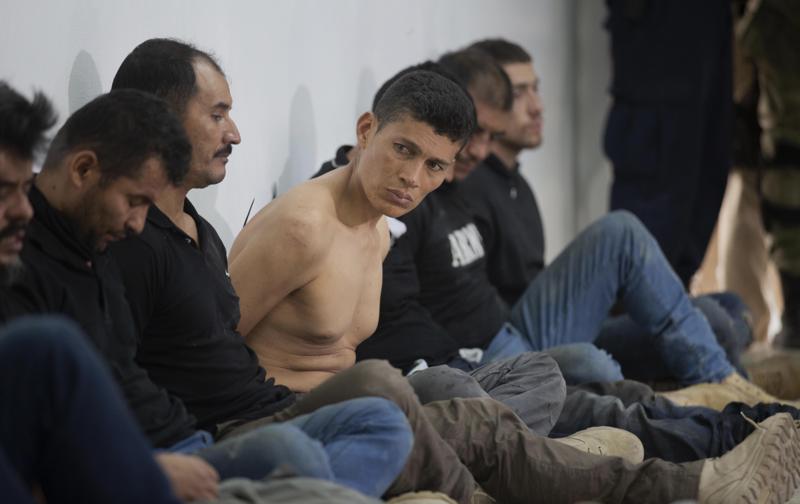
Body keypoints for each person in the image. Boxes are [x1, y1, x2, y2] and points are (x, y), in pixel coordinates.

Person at [229, 57, 800, 502]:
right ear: (366, 130)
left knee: (543, 377)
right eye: (402, 150)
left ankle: (713, 434)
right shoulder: (304, 227)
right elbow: (216, 356)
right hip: (303, 418)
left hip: (373, 401)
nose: (411, 177)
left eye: (434, 166)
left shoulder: (379, 228)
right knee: (485, 400)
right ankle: (693, 481)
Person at [2, 85, 413, 500]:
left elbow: (137, 370)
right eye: (134, 201)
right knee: (301, 452)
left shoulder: (101, 239)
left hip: (190, 440)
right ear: (83, 170)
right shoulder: (26, 270)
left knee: (382, 421)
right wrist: (146, 467)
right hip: (152, 460)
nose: (138, 224)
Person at [603, 0, 733, 287]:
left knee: (708, 167)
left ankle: (671, 300)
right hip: (657, 29)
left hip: (708, 22)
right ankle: (640, 308)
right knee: (657, 178)